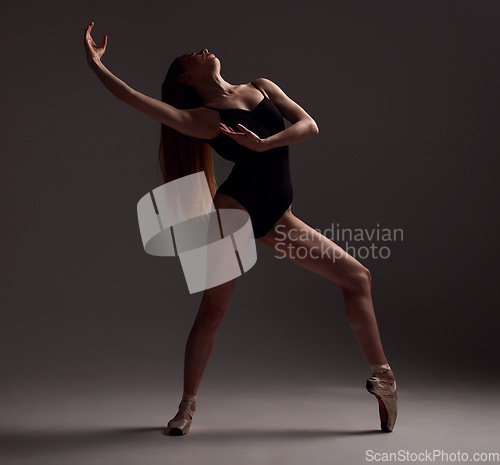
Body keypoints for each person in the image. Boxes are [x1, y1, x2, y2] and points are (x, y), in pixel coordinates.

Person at [83, 21, 398, 436]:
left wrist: (264, 145)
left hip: (277, 216)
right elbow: (132, 97)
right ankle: (186, 407)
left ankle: (385, 380)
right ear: (185, 76)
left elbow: (309, 125)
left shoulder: (261, 86)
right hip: (233, 215)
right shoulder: (201, 118)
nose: (203, 48)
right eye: (192, 54)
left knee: (357, 277)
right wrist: (96, 63)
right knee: (213, 311)